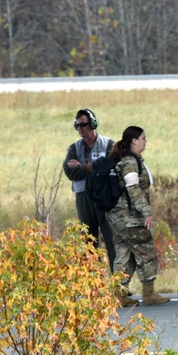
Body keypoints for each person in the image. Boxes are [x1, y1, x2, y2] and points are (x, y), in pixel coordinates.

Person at [106, 125, 170, 307]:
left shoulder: (129, 159)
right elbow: (132, 188)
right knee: (146, 250)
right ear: (133, 141)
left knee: (125, 253)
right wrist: (146, 211)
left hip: (118, 216)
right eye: (143, 138)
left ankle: (119, 294)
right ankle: (149, 293)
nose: (145, 141)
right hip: (128, 217)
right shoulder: (130, 162)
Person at [62, 108, 116, 270]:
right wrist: (94, 167)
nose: (80, 128)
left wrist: (84, 167)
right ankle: (94, 285)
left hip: (105, 198)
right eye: (77, 126)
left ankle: (119, 284)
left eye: (83, 124)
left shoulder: (109, 144)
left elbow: (110, 165)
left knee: (112, 240)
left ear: (93, 123)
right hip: (83, 198)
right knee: (88, 242)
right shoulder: (73, 148)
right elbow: (70, 172)